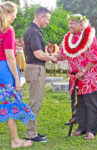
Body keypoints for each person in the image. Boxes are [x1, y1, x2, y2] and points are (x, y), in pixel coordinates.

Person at [57, 14, 97, 140]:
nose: (69, 25)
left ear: (81, 24)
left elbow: (95, 57)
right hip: (75, 78)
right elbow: (63, 54)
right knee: (79, 104)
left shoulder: (91, 38)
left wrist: (84, 70)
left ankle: (91, 131)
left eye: (72, 23)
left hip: (90, 78)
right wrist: (50, 57)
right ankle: (81, 128)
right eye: (69, 23)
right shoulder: (68, 38)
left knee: (91, 103)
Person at [0, 1, 34, 148]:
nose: (15, 16)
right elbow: (10, 57)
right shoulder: (8, 30)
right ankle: (15, 141)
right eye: (14, 14)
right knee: (10, 106)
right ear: (9, 13)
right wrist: (17, 79)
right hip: (5, 71)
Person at [24, 7, 56, 142]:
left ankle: (33, 131)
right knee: (35, 102)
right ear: (40, 17)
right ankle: (30, 134)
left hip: (35, 68)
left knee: (36, 101)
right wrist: (52, 57)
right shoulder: (34, 32)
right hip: (35, 69)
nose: (47, 22)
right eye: (47, 19)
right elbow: (38, 54)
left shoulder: (32, 31)